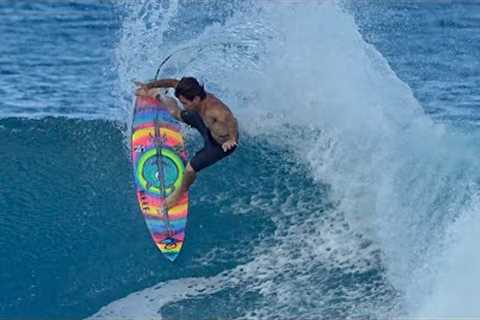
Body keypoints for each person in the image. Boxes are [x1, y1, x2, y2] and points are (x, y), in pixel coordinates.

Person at [135, 77, 239, 208]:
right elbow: (172, 82)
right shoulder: (191, 94)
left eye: (184, 103)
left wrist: (232, 139)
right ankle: (157, 94)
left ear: (195, 99)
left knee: (190, 169)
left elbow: (232, 121)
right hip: (204, 124)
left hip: (219, 145)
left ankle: (178, 194)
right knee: (175, 112)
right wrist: (148, 86)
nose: (183, 105)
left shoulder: (218, 111)